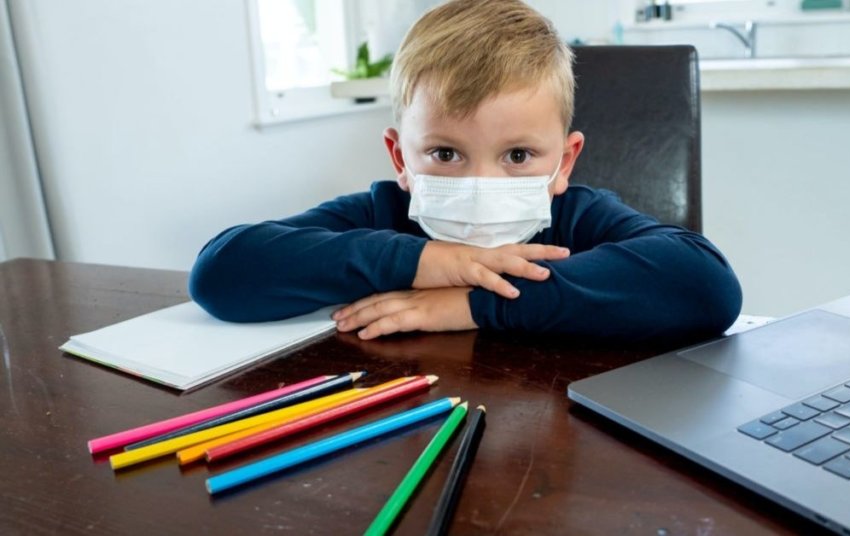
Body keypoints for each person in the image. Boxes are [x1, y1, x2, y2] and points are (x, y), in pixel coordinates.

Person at [189, 0, 742, 342]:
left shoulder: (578, 217)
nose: (483, 185)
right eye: (447, 154)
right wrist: (429, 261)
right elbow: (221, 273)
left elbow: (706, 286)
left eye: (518, 156)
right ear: (401, 159)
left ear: (564, 161)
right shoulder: (383, 214)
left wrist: (476, 303)